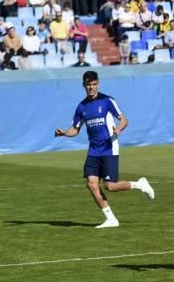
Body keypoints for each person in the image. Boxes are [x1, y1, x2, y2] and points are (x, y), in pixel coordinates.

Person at [54, 71, 155, 228]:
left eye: (94, 84)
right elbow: (75, 129)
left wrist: (119, 128)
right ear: (84, 85)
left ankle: (140, 184)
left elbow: (124, 119)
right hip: (94, 150)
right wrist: (64, 133)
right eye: (88, 85)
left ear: (98, 84)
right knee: (91, 184)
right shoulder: (81, 107)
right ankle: (111, 219)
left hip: (109, 148)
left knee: (111, 186)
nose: (91, 87)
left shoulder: (107, 101)